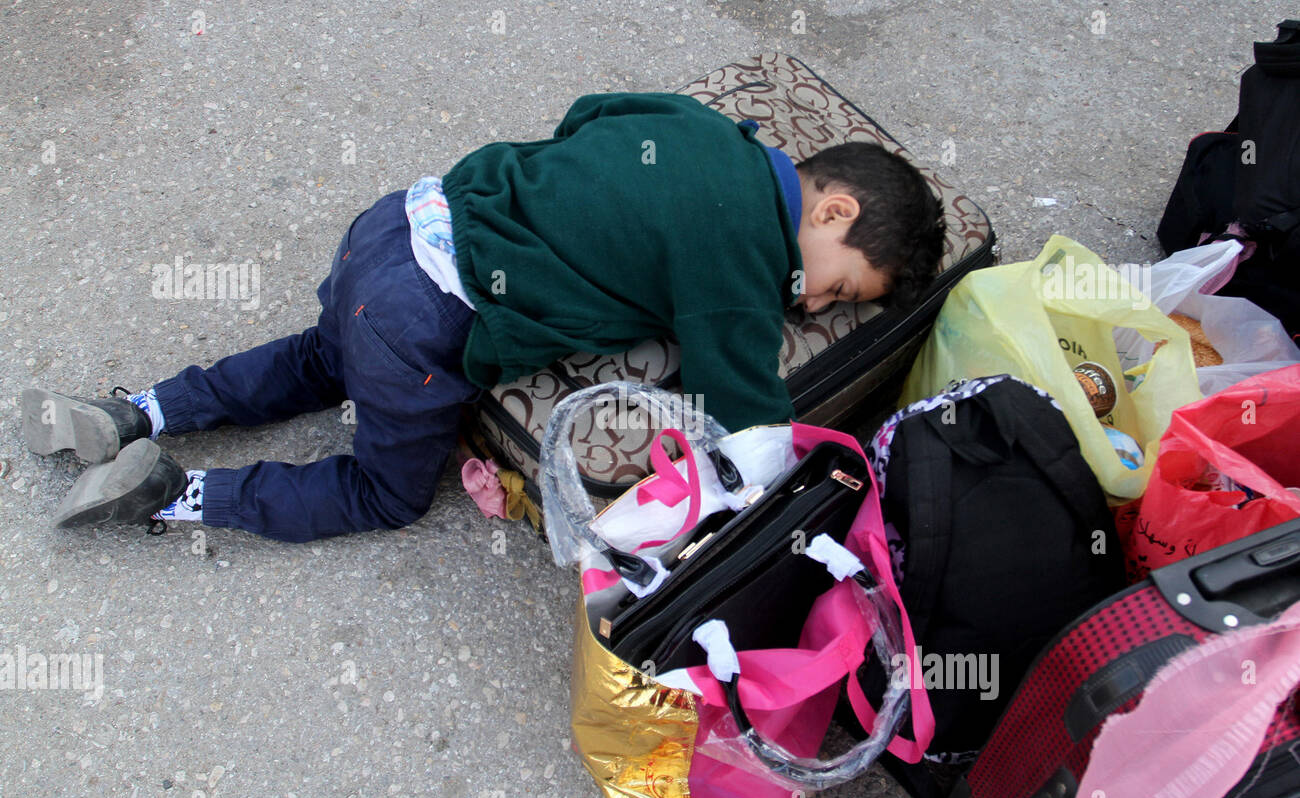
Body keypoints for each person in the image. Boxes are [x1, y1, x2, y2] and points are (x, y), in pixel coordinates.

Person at [22, 92, 945, 543]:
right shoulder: (749, 250)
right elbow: (743, 404)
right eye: (838, 286)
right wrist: (778, 488)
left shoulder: (703, 125)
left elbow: (591, 113)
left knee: (316, 358)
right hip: (424, 323)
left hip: (396, 227)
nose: (812, 302)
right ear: (831, 214)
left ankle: (136, 408)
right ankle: (175, 495)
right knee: (383, 497)